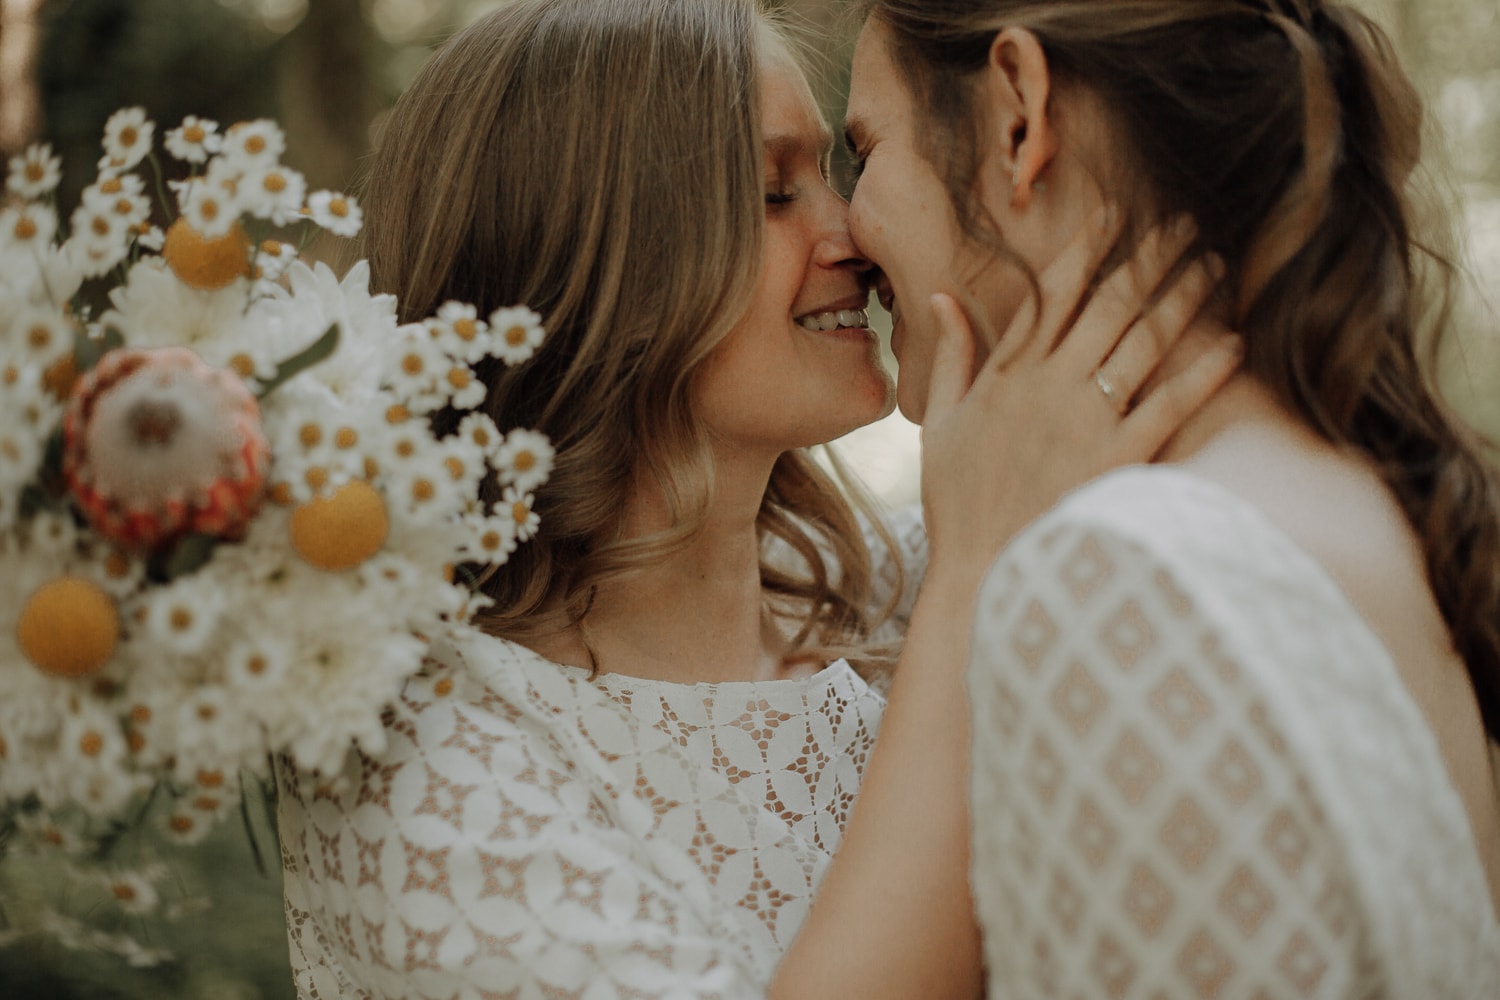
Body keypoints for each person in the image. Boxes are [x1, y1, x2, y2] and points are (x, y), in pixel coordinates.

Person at [273, 1, 1239, 997]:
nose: (853, 233)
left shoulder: (875, 591)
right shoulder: (427, 764)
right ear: (595, 261)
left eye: (837, 173)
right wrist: (973, 580)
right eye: (777, 192)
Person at [843, 0, 1500, 995]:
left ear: (1019, 118)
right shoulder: (1348, 495)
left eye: (865, 150)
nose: (849, 233)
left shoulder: (1122, 574)